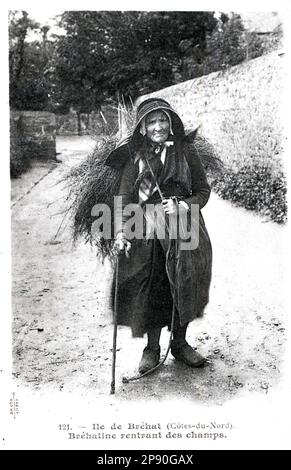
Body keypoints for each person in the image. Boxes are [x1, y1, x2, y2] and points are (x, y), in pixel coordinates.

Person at [106, 97, 212, 375]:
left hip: (185, 227)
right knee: (153, 284)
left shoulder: (186, 151)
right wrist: (119, 232)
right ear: (142, 128)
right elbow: (123, 198)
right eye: (151, 122)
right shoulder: (135, 157)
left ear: (171, 122)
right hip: (146, 230)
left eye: (162, 120)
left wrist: (182, 205)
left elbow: (203, 191)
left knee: (185, 281)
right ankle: (152, 348)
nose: (157, 126)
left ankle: (179, 343)